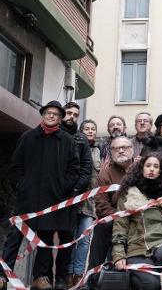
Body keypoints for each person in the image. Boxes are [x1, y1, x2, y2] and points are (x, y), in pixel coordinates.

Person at [3, 101, 80, 290]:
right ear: (43, 114)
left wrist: (62, 189)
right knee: (14, 238)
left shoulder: (67, 141)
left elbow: (74, 170)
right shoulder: (27, 137)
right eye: (48, 112)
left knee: (45, 241)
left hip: (52, 201)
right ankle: (3, 276)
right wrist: (23, 186)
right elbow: (15, 167)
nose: (51, 116)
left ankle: (40, 277)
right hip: (27, 200)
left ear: (60, 118)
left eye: (55, 114)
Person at [112, 154, 162, 290]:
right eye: (148, 166)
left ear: (160, 171)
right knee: (152, 285)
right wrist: (119, 255)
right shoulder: (128, 193)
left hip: (160, 243)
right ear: (141, 169)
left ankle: (144, 274)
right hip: (136, 248)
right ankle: (139, 277)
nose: (152, 169)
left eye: (156, 166)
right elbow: (120, 226)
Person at [87, 136, 134, 281]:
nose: (121, 151)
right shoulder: (104, 173)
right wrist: (121, 219)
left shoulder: (143, 169)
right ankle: (94, 277)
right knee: (102, 227)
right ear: (111, 152)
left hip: (139, 219)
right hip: (114, 218)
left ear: (132, 150)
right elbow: (101, 205)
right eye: (116, 148)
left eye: (124, 147)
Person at [58, 102, 93, 288]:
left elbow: (86, 168)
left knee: (75, 240)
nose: (71, 116)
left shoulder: (81, 138)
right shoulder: (55, 134)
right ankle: (55, 277)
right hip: (54, 196)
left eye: (75, 114)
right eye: (68, 113)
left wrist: (75, 190)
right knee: (56, 239)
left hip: (76, 197)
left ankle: (70, 277)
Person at [67, 118, 101, 287]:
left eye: (92, 129)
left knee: (84, 240)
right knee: (71, 238)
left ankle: (78, 274)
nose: (89, 131)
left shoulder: (99, 150)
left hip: (90, 203)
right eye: (86, 128)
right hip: (73, 200)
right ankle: (68, 272)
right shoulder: (73, 145)